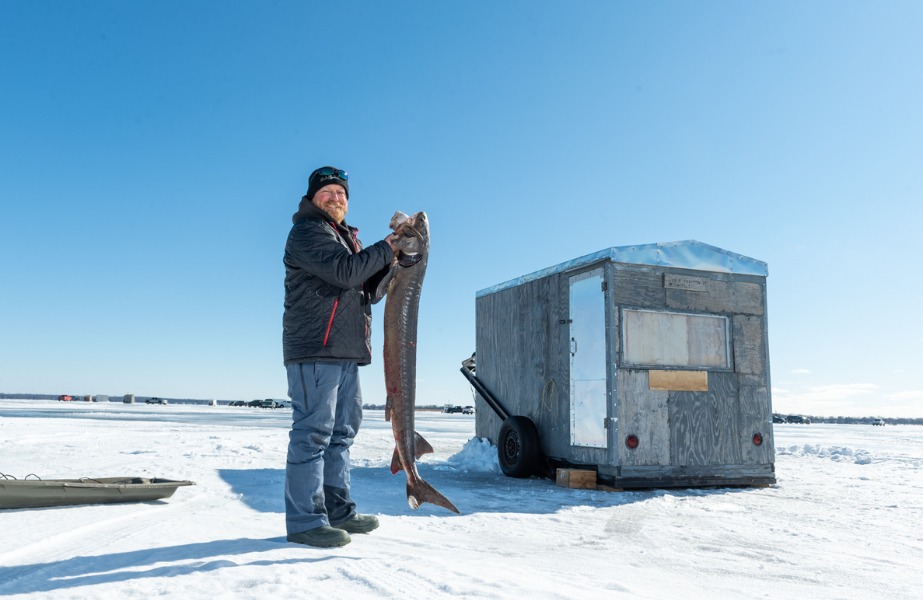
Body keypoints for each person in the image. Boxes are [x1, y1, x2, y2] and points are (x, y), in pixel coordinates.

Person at [282, 166, 396, 548]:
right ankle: (304, 522)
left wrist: (395, 264)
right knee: (313, 433)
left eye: (341, 193)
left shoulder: (344, 238)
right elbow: (345, 273)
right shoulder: (307, 232)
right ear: (313, 198)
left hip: (346, 352)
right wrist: (388, 247)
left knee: (341, 435)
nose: (336, 198)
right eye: (328, 192)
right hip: (315, 348)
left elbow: (367, 289)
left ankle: (338, 511)